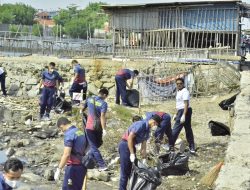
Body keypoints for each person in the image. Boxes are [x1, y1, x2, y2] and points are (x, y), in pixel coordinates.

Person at [118, 114, 162, 190]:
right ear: (154, 122)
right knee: (125, 171)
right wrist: (132, 153)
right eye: (156, 124)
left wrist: (144, 158)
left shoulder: (147, 131)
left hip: (132, 146)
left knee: (131, 170)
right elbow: (129, 138)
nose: (155, 127)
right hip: (125, 145)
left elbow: (143, 146)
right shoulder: (141, 124)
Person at [54, 117, 87, 190]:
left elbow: (66, 154)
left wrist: (59, 169)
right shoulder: (80, 132)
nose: (62, 131)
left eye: (61, 129)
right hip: (82, 166)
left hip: (73, 167)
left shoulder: (69, 134)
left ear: (62, 126)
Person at [82, 88, 109, 171]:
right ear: (104, 95)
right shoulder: (103, 103)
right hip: (98, 127)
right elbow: (102, 117)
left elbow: (82, 108)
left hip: (89, 126)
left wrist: (83, 115)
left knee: (97, 144)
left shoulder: (90, 99)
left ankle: (88, 156)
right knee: (95, 146)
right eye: (106, 96)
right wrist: (104, 129)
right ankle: (102, 165)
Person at [172, 78, 195, 154]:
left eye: (180, 83)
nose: (179, 85)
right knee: (188, 129)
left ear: (183, 84)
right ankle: (191, 146)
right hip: (180, 111)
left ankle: (170, 145)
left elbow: (186, 104)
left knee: (176, 129)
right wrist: (176, 113)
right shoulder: (178, 91)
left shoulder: (185, 92)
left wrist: (183, 115)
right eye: (177, 83)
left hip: (185, 111)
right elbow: (178, 104)